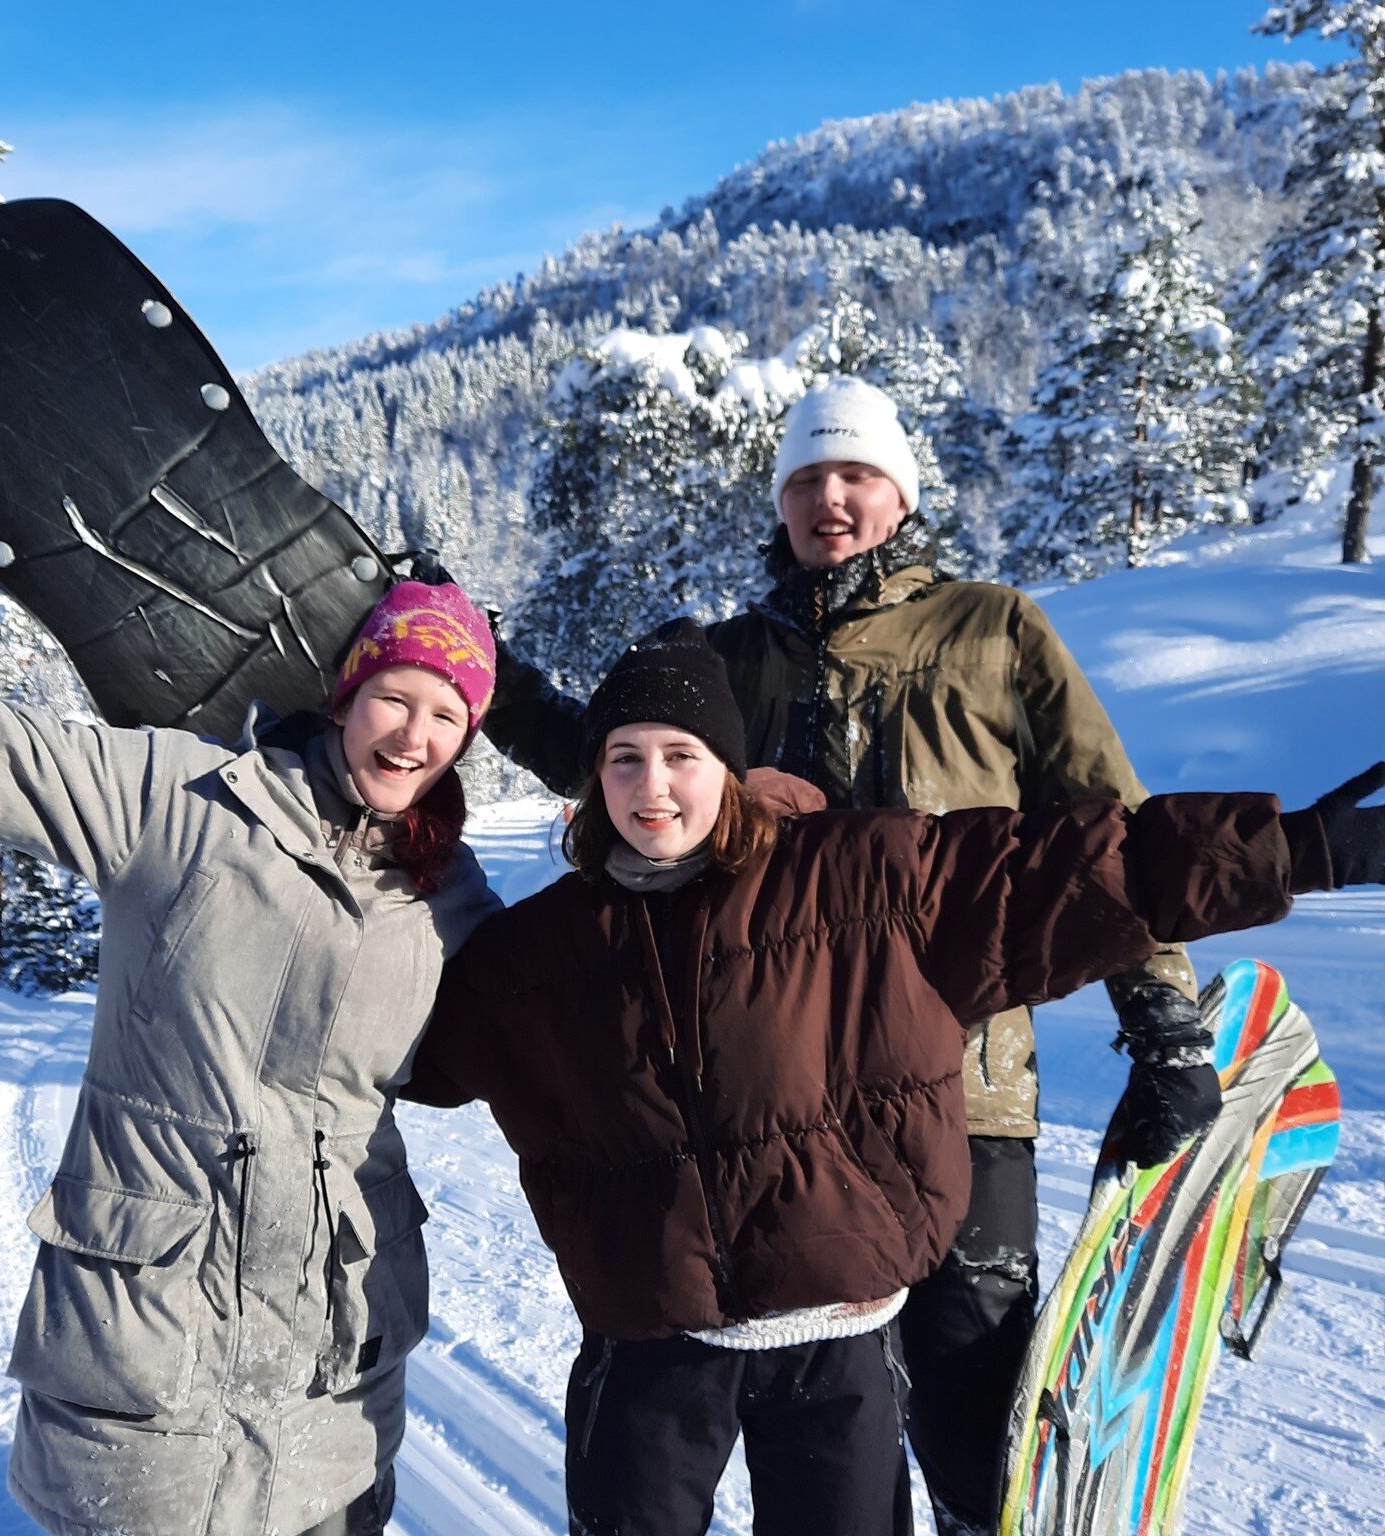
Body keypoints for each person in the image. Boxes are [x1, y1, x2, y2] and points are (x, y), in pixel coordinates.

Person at [407, 619, 1383, 1536]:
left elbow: (1073, 871)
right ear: (593, 778)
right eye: (625, 757)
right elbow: (409, 1045)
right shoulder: (544, 949)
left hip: (838, 1343)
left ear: (730, 770)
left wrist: (1300, 850)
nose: (652, 786)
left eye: (680, 756)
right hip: (650, 1351)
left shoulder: (863, 880)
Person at [480, 376, 1213, 1533]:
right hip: (767, 1107)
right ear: (779, 500)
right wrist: (488, 674)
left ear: (900, 494)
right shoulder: (725, 658)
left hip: (963, 1081)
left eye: (856, 474)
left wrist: (1162, 1020)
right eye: (808, 478)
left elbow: (1100, 829)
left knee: (970, 1394)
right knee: (771, 1413)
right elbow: (619, 765)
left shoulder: (992, 629)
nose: (831, 498)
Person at [0, 581, 501, 1536]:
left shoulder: (449, 901)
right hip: (150, 1357)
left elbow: (584, 1023)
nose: (414, 736)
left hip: (335, 1383)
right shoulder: (178, 800)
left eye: (449, 714)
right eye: (397, 696)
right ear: (345, 693)